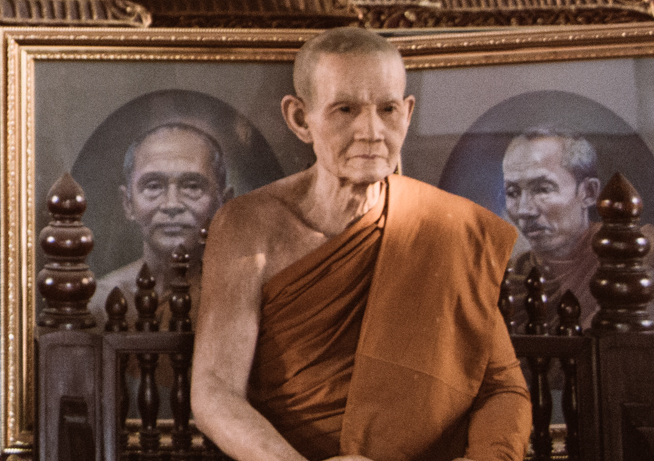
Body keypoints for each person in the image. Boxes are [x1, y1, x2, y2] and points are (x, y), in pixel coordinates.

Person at [192, 28, 528, 461]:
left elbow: (502, 388)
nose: (371, 131)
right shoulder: (250, 226)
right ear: (300, 119)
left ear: (407, 114)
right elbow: (215, 391)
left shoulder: (446, 228)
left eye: (387, 109)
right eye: (345, 109)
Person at [498, 126, 653, 327]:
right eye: (512, 192)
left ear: (588, 192)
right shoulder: (510, 276)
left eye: (543, 189)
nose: (524, 210)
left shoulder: (636, 256)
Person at [94, 122, 230, 313]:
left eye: (192, 186)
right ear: (127, 203)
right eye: (153, 186)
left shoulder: (238, 297)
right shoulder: (99, 303)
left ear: (224, 203)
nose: (172, 204)